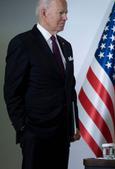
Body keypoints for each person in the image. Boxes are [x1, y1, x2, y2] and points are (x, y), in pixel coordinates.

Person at [3, 0, 80, 169]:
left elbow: (69, 89)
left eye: (65, 12)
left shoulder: (66, 46)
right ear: (44, 13)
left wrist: (74, 124)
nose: (66, 17)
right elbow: (12, 92)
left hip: (63, 134)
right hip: (35, 135)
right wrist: (24, 129)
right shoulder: (22, 43)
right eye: (61, 13)